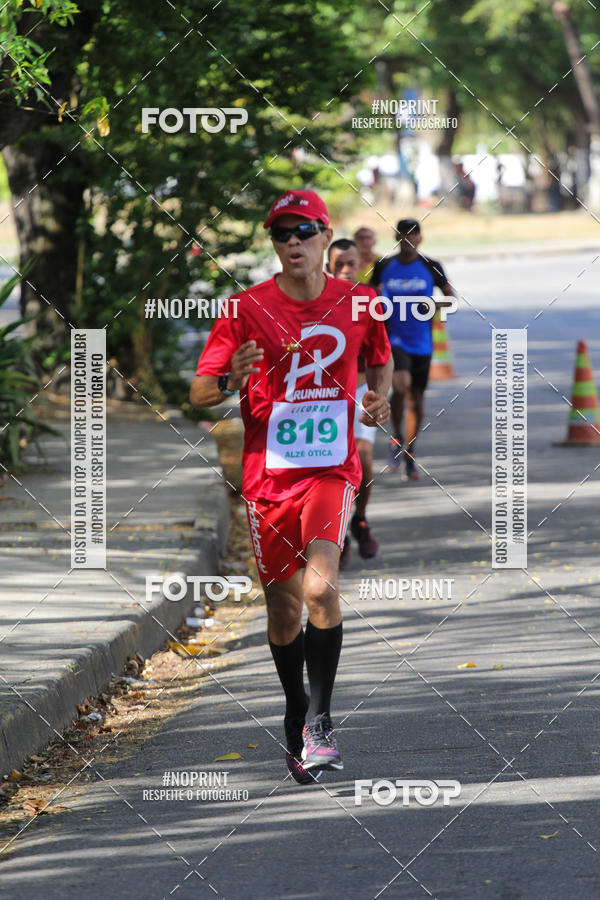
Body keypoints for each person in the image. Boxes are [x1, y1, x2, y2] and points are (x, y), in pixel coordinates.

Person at [191, 190, 392, 783]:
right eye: (282, 232)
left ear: (326, 236)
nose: (294, 241)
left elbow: (377, 361)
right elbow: (200, 394)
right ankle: (295, 709)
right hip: (267, 478)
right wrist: (234, 377)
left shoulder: (361, 303)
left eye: (305, 230)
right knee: (281, 607)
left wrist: (377, 399)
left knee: (321, 591)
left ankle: (321, 721)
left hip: (331, 469)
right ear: (273, 243)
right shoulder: (242, 309)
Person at [371, 218, 456, 480]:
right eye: (403, 234)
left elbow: (450, 298)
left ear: (420, 238)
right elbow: (370, 297)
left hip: (422, 342)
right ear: (396, 237)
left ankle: (410, 451)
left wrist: (431, 307)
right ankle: (395, 436)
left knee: (417, 400)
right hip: (394, 339)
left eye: (413, 234)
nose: (408, 239)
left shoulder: (431, 266)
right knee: (400, 385)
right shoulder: (385, 265)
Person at [326, 238, 379, 566]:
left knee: (363, 458)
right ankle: (336, 532)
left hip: (359, 389)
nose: (346, 270)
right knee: (330, 468)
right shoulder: (318, 301)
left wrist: (380, 391)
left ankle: (360, 519)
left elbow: (381, 354)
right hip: (324, 396)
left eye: (351, 264)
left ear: (361, 265)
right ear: (327, 267)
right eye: (338, 265)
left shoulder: (369, 301)